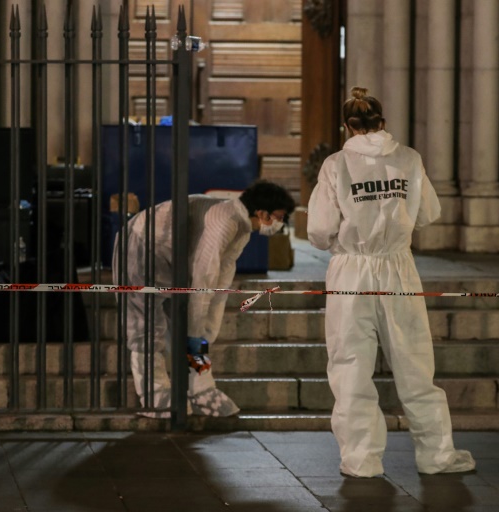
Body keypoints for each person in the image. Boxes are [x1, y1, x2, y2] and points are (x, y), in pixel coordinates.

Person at [307, 87, 476, 476]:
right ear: (383, 123)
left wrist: (342, 241)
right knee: (415, 362)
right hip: (398, 267)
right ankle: (437, 455)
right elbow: (428, 212)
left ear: (348, 127)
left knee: (351, 365)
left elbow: (318, 230)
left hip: (351, 270)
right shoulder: (409, 159)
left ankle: (361, 460)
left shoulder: (336, 165)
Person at [112, 180, 296, 417]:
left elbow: (220, 286)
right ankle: (154, 393)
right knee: (146, 326)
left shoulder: (241, 228)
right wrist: (197, 333)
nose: (281, 224)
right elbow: (203, 279)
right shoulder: (224, 221)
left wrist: (206, 333)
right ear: (262, 213)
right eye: (280, 217)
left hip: (169, 256)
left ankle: (199, 387)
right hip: (140, 242)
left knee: (190, 331)